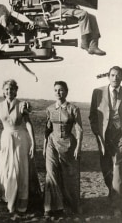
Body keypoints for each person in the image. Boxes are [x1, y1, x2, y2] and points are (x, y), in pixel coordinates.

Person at [89, 66, 122, 216]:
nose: (115, 78)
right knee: (106, 170)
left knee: (117, 169)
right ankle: (112, 192)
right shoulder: (98, 93)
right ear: (108, 77)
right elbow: (92, 116)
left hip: (120, 137)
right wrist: (96, 132)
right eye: (112, 75)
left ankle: (116, 205)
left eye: (118, 76)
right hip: (104, 137)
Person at [0, 79, 36, 214]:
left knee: (18, 170)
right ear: (3, 91)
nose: (9, 91)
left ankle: (17, 202)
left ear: (16, 91)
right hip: (5, 139)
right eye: (6, 89)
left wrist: (33, 143)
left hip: (20, 139)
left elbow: (28, 124)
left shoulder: (22, 105)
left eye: (12, 89)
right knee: (4, 169)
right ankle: (8, 198)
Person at [44, 81, 83, 216]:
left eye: (61, 90)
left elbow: (79, 129)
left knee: (69, 176)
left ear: (66, 92)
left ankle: (72, 204)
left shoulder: (73, 109)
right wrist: (44, 147)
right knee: (51, 173)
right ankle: (50, 207)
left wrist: (78, 146)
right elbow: (47, 130)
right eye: (55, 90)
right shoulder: (49, 109)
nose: (58, 92)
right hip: (52, 143)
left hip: (68, 144)